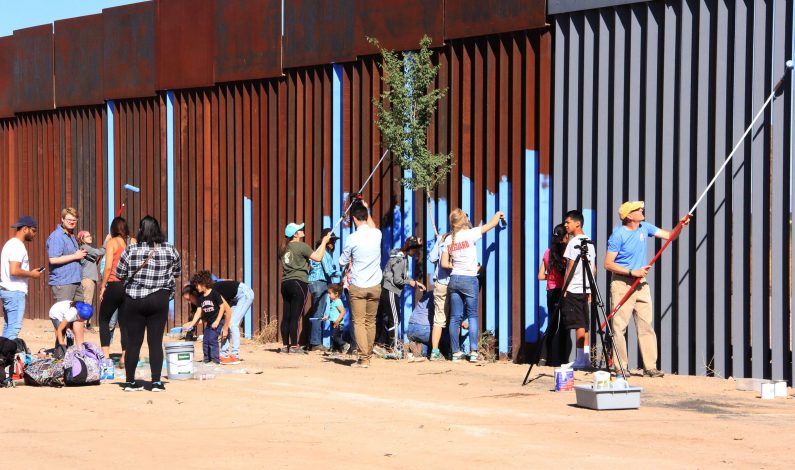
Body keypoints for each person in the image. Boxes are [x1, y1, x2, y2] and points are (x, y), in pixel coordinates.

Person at [604, 201, 689, 378]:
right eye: (637, 209)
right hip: (622, 283)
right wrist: (631, 271)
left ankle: (650, 366)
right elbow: (608, 264)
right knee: (619, 327)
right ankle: (620, 367)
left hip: (641, 284)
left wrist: (680, 225)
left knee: (646, 325)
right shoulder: (618, 236)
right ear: (629, 216)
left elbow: (671, 236)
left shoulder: (645, 227)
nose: (642, 210)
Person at [115, 216, 181, 392]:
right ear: (158, 230)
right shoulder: (170, 249)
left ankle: (129, 382)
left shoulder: (131, 250)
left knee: (133, 342)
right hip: (159, 299)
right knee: (155, 342)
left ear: (140, 230)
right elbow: (177, 272)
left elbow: (119, 273)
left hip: (134, 299)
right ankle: (156, 382)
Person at [442, 208, 504, 363]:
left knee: (455, 317)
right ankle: (473, 351)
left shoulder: (449, 239)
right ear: (464, 221)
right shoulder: (470, 234)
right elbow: (491, 225)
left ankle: (455, 353)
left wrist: (456, 265)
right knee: (472, 316)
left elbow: (444, 263)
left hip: (454, 278)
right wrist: (497, 214)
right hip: (470, 279)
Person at [278, 222, 334, 354]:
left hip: (285, 283)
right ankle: (294, 346)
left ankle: (285, 345)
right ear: (295, 234)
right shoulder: (301, 246)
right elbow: (318, 258)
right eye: (299, 229)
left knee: (286, 316)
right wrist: (324, 242)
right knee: (295, 317)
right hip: (299, 283)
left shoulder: (283, 248)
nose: (302, 230)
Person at [339, 200, 382, 368]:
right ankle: (367, 354)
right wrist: (367, 209)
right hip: (375, 284)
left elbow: (342, 261)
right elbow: (372, 225)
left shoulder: (352, 238)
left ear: (355, 219)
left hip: (358, 285)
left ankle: (364, 358)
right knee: (371, 321)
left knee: (359, 322)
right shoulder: (376, 234)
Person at [376, 236, 425, 352]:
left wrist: (416, 282)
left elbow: (401, 276)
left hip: (389, 290)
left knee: (392, 318)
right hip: (390, 291)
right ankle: (392, 347)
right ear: (410, 247)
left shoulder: (402, 257)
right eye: (416, 249)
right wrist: (410, 282)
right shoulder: (400, 260)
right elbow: (397, 280)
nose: (417, 251)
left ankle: (382, 344)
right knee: (395, 318)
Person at [560, 210, 594, 370]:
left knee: (578, 323)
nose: (565, 225)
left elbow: (570, 266)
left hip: (573, 287)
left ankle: (581, 359)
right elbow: (593, 268)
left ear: (577, 223)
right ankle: (584, 358)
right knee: (584, 323)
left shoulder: (574, 243)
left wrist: (564, 288)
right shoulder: (590, 242)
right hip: (585, 287)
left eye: (568, 222)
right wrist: (590, 288)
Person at [0, 216, 43, 340]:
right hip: (15, 292)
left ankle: (3, 353)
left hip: (8, 290)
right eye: (33, 230)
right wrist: (32, 274)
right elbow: (14, 270)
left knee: (8, 326)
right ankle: (5, 357)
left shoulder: (10, 244)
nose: (35, 234)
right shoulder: (17, 246)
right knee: (14, 328)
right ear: (25, 229)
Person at [98, 217, 134, 361]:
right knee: (124, 322)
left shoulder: (112, 242)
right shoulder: (132, 242)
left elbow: (107, 267)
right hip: (128, 285)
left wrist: (102, 286)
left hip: (114, 283)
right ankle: (125, 355)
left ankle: (106, 356)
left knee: (104, 319)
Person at [537, 223, 572, 365]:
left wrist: (551, 278)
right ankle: (563, 360)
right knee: (564, 326)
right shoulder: (567, 254)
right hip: (564, 292)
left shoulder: (547, 252)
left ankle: (543, 358)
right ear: (566, 236)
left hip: (551, 291)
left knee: (552, 325)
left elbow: (540, 276)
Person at [182, 271, 232, 364]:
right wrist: (192, 324)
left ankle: (215, 360)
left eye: (197, 286)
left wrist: (217, 321)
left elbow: (222, 308)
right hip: (210, 323)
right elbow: (199, 311)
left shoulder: (214, 293)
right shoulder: (201, 298)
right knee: (205, 340)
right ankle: (207, 360)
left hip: (218, 321)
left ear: (203, 283)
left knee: (212, 339)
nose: (196, 288)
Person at [306, 228, 340, 351]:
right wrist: (344, 274)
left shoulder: (325, 252)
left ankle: (315, 341)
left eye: (334, 241)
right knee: (318, 313)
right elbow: (329, 271)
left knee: (319, 312)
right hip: (319, 282)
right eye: (331, 240)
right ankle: (315, 343)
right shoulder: (323, 253)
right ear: (324, 241)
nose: (333, 243)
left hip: (320, 283)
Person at [46, 207, 87, 302]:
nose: (72, 222)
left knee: (78, 314)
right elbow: (53, 259)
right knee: (64, 314)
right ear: (62, 219)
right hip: (63, 282)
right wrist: (75, 256)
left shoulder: (71, 235)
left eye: (74, 220)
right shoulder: (57, 236)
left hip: (76, 280)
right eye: (69, 220)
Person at [215, 278, 255, 364]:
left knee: (232, 324)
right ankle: (223, 355)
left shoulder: (213, 292)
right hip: (234, 299)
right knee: (225, 325)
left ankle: (235, 356)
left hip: (244, 294)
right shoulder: (210, 291)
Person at [427, 230, 450, 361]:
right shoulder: (466, 238)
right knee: (455, 317)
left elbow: (432, 258)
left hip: (441, 282)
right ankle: (455, 351)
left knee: (439, 318)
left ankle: (435, 351)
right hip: (456, 282)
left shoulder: (442, 238)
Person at [76, 230, 105, 328]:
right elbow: (100, 252)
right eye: (87, 236)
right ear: (82, 239)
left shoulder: (85, 248)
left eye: (90, 235)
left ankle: (85, 323)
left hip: (88, 279)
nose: (90, 237)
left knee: (87, 300)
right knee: (87, 301)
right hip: (87, 279)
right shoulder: (85, 247)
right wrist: (107, 241)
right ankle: (84, 325)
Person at [405, 288, 434, 363]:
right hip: (424, 329)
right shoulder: (441, 296)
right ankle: (437, 353)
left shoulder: (428, 294)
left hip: (411, 327)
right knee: (440, 331)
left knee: (423, 341)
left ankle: (415, 349)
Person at [322, 283, 348, 354]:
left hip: (338, 323)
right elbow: (333, 313)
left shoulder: (338, 301)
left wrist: (337, 321)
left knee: (335, 336)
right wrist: (327, 317)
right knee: (334, 337)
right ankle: (335, 351)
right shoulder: (333, 302)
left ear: (336, 294)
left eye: (330, 293)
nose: (328, 295)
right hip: (333, 322)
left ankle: (344, 344)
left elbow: (342, 312)